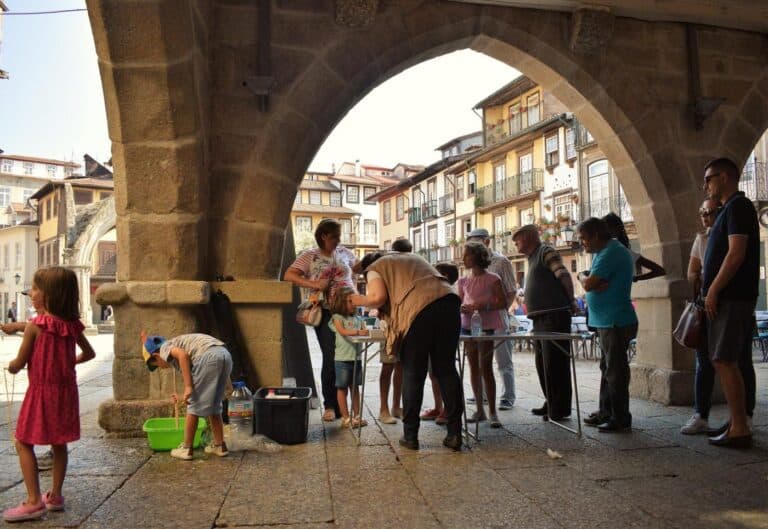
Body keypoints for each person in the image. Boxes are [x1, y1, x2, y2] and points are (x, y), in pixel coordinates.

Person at [2, 267, 96, 522]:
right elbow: (90, 354)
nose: (30, 293)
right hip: (66, 393)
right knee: (59, 443)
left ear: (48, 295)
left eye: (34, 289)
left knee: (23, 442)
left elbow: (19, 363)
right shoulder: (73, 326)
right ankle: (54, 496)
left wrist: (10, 366)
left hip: (41, 393)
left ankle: (33, 501)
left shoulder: (35, 327)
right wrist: (67, 363)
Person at [350, 251, 464, 451]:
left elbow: (378, 298)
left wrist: (354, 300)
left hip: (418, 311)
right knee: (446, 370)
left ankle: (411, 436)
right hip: (449, 302)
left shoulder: (375, 268)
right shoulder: (412, 258)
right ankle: (455, 434)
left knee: (413, 372)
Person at [701, 157, 758, 448]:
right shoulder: (728, 210)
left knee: (724, 358)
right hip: (728, 296)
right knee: (723, 358)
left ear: (724, 177)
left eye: (708, 178)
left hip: (732, 297)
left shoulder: (738, 206)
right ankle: (737, 420)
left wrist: (713, 290)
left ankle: (739, 427)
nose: (705, 185)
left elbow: (736, 253)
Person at [284, 219, 359, 422]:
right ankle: (330, 405)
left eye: (339, 236)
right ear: (324, 236)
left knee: (352, 357)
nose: (338, 240)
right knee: (331, 356)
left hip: (349, 310)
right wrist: (313, 283)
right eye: (334, 236)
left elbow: (358, 269)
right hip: (325, 311)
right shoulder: (310, 255)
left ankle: (352, 408)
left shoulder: (344, 253)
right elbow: (289, 274)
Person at [577, 218, 637, 432]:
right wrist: (585, 277)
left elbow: (590, 284)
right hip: (607, 320)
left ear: (594, 235)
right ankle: (606, 412)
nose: (582, 242)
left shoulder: (611, 252)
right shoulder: (603, 253)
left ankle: (620, 418)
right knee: (608, 368)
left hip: (615, 320)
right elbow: (591, 281)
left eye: (584, 238)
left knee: (616, 371)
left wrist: (583, 277)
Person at [513, 225, 575, 421]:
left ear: (530, 237)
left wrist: (571, 300)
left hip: (554, 316)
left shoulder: (545, 251)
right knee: (543, 364)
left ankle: (560, 408)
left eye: (518, 239)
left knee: (555, 363)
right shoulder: (531, 258)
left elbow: (563, 274)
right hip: (540, 318)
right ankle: (551, 401)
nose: (515, 243)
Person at [142, 332, 233, 460]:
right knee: (214, 404)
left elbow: (183, 356)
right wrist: (183, 394)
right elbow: (198, 378)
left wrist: (188, 386)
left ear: (156, 356)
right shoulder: (179, 344)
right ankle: (220, 445)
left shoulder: (165, 348)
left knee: (193, 405)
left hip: (207, 356)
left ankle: (186, 448)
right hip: (224, 354)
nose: (161, 368)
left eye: (157, 365)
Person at [457, 241, 508, 428]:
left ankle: (493, 412)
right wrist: (462, 308)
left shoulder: (493, 279)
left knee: (485, 367)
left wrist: (483, 306)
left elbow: (502, 303)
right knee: (473, 367)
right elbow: (461, 302)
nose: (463, 258)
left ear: (478, 256)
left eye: (467, 255)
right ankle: (479, 409)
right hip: (467, 325)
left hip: (486, 326)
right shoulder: (463, 281)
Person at [466, 228, 517, 410]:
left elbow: (511, 290)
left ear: (487, 242)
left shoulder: (501, 262)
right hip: (478, 319)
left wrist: (502, 310)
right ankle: (483, 395)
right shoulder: (471, 269)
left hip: (498, 315)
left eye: (475, 244)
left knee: (503, 357)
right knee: (481, 358)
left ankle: (508, 396)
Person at [680, 198, 719, 434]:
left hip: (729, 305)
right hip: (705, 305)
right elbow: (692, 273)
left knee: (738, 361)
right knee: (703, 361)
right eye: (701, 212)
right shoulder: (702, 239)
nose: (705, 216)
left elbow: (696, 272)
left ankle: (743, 416)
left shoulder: (721, 238)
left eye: (709, 212)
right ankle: (701, 413)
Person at [419, 261, 458, 425]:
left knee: (443, 373)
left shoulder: (448, 294)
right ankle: (438, 407)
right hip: (430, 336)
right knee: (433, 373)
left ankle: (449, 409)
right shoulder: (434, 291)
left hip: (443, 338)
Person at [328, 286, 369, 428]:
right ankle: (346, 417)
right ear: (341, 302)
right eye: (350, 301)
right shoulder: (337, 317)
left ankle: (357, 416)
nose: (353, 304)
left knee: (355, 388)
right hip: (342, 358)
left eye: (354, 301)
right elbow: (343, 331)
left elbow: (365, 331)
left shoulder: (358, 317)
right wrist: (359, 331)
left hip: (356, 358)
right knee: (341, 388)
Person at [602, 213, 666, 282]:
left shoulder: (625, 253)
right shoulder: (603, 252)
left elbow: (660, 271)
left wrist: (636, 278)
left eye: (604, 228)